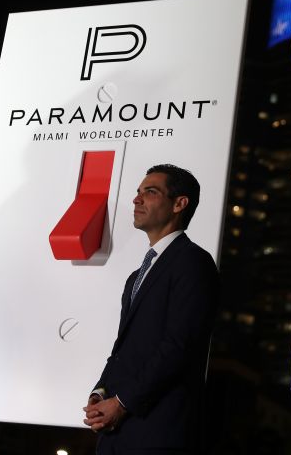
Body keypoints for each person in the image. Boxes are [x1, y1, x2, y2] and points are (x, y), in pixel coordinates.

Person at [83, 164, 219, 454]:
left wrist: (122, 403)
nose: (137, 199)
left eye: (151, 192)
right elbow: (123, 349)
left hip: (158, 430)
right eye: (138, 192)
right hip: (116, 431)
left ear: (179, 204)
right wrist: (101, 391)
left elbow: (179, 346)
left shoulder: (194, 262)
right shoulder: (137, 276)